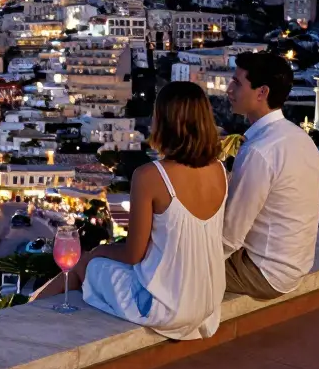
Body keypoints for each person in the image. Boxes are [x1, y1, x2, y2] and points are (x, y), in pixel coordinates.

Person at [78, 82, 227, 340]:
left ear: (163, 122)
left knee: (84, 264)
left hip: (166, 307)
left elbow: (133, 254)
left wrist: (96, 253)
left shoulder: (150, 176)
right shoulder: (220, 171)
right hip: (207, 301)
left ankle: (28, 313)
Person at [223, 51, 319, 300]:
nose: (228, 89)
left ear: (262, 92)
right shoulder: (299, 137)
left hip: (263, 272)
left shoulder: (259, 150)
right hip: (295, 265)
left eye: (237, 83)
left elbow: (228, 237)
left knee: (169, 263)